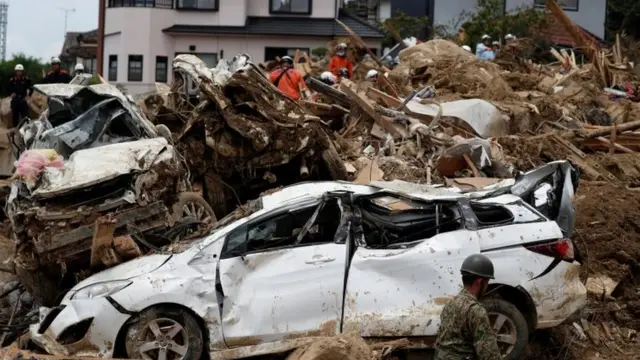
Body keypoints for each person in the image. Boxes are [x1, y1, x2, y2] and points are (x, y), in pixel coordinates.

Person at [434, 254, 502, 360]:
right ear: (479, 282)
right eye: (487, 282)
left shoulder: (450, 304)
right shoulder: (475, 311)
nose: (487, 287)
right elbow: (489, 354)